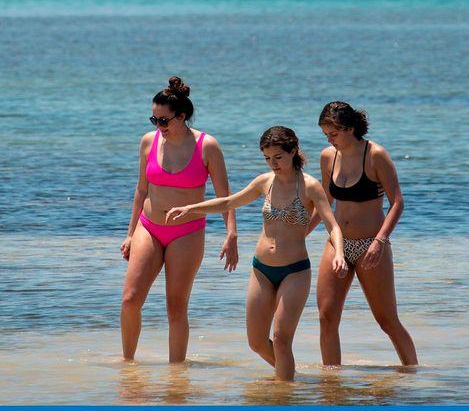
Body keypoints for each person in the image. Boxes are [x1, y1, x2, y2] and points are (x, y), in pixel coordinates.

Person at [166, 126, 348, 381]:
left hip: (295, 271)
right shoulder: (264, 182)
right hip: (261, 269)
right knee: (256, 342)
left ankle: (283, 394)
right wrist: (191, 208)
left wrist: (339, 252)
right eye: (267, 158)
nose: (272, 163)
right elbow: (229, 202)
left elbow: (333, 224)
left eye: (278, 157)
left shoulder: (310, 186)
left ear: (293, 151)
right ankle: (291, 378)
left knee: (282, 340)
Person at [120, 76, 238, 363]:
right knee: (130, 300)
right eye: (154, 119)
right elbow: (141, 189)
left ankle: (176, 376)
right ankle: (128, 368)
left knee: (175, 307)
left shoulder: (207, 146)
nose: (158, 127)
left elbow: (225, 196)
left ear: (182, 117)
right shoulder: (148, 141)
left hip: (186, 232)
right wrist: (130, 232)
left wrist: (231, 234)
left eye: (164, 121)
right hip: (149, 228)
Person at [309, 101, 418, 367]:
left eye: (333, 134)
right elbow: (324, 203)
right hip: (337, 245)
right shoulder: (328, 157)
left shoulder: (375, 154)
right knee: (326, 316)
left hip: (371, 244)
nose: (330, 139)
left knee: (386, 320)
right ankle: (332, 381)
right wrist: (298, 234)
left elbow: (398, 202)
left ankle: (413, 374)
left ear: (349, 128)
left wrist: (380, 241)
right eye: (326, 135)